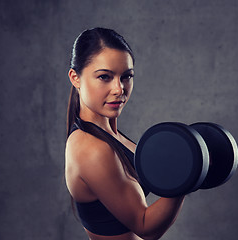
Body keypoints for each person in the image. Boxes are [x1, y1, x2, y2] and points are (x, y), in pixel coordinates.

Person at [65, 27, 185, 240]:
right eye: (104, 77)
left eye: (126, 76)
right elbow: (145, 226)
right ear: (75, 78)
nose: (119, 89)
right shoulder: (91, 147)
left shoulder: (110, 135)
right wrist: (187, 177)